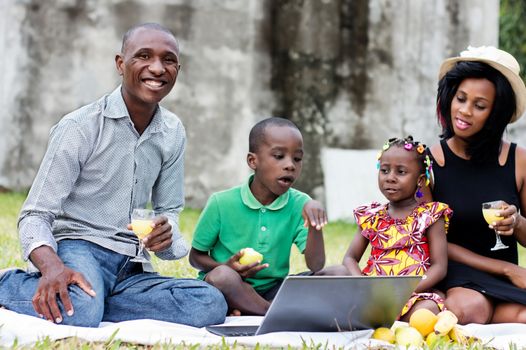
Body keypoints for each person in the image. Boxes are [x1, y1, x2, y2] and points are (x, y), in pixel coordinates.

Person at [0, 23, 227, 327]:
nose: (157, 68)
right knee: (80, 309)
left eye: (168, 60)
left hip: (132, 268)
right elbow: (35, 215)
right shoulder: (79, 127)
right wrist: (52, 267)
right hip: (78, 249)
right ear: (121, 64)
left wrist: (165, 234)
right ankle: (10, 284)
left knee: (208, 303)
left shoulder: (172, 132)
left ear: (178, 68)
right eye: (143, 56)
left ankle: (94, 300)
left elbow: (169, 211)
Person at [426, 45, 526, 324]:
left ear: (495, 114)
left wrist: (517, 222)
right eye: (460, 99)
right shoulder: (428, 162)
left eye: (479, 106)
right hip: (458, 277)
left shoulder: (518, 160)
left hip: (509, 284)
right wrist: (507, 268)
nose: (465, 111)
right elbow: (434, 243)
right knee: (470, 308)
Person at [189, 117, 327, 316]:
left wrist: (315, 225)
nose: (290, 165)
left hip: (274, 289)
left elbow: (316, 265)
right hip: (230, 286)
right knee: (221, 276)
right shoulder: (221, 202)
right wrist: (227, 266)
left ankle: (253, 308)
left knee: (337, 273)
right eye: (279, 156)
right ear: (253, 161)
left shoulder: (300, 203)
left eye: (297, 158)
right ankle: (273, 313)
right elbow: (195, 257)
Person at [317, 136, 452, 320]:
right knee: (335, 273)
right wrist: (361, 283)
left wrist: (407, 291)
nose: (390, 178)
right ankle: (368, 312)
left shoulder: (429, 216)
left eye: (401, 172)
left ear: (420, 180)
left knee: (428, 310)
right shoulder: (373, 216)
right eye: (385, 170)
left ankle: (375, 316)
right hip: (371, 291)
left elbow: (439, 267)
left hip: (412, 293)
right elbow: (350, 258)